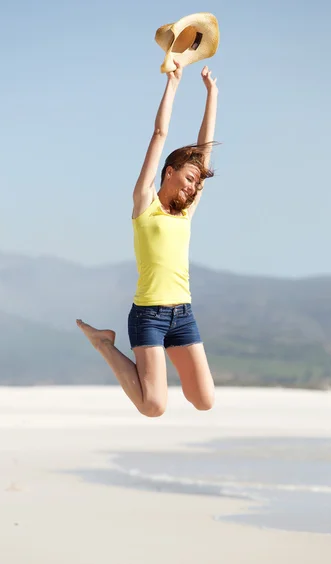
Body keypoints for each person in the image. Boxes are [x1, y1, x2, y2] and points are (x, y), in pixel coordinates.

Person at [77, 59, 218, 417]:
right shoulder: (145, 204)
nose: (192, 186)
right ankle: (103, 343)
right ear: (168, 172)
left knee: (204, 400)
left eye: (196, 183)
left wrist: (211, 95)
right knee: (153, 406)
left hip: (183, 314)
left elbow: (205, 152)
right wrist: (172, 84)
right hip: (149, 316)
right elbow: (159, 135)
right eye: (188, 178)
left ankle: (125, 350)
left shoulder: (186, 211)